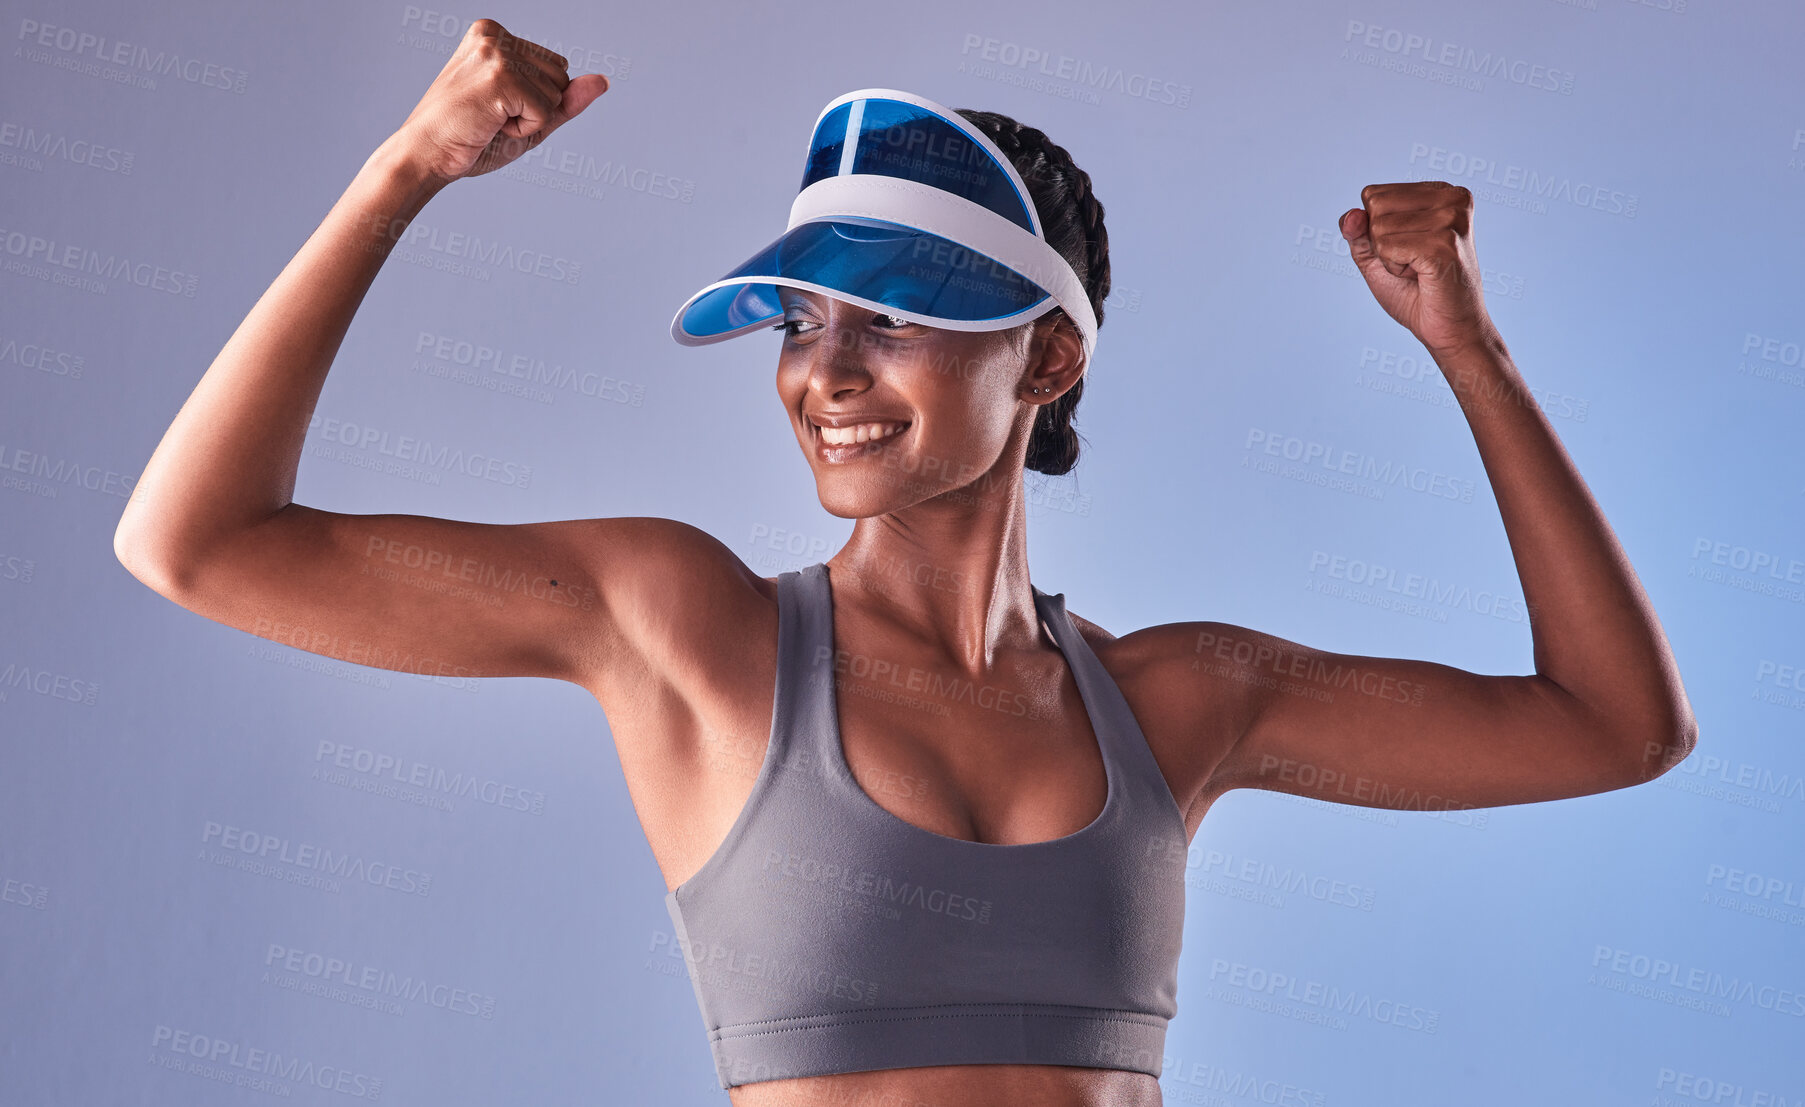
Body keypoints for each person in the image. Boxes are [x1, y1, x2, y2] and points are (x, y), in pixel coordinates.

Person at [113, 18, 1698, 1107]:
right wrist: (408, 171)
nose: (826, 370)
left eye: (894, 315)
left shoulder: (1176, 700)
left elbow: (1613, 728)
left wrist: (1465, 351)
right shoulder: (682, 625)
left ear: (1049, 364)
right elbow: (198, 544)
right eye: (804, 319)